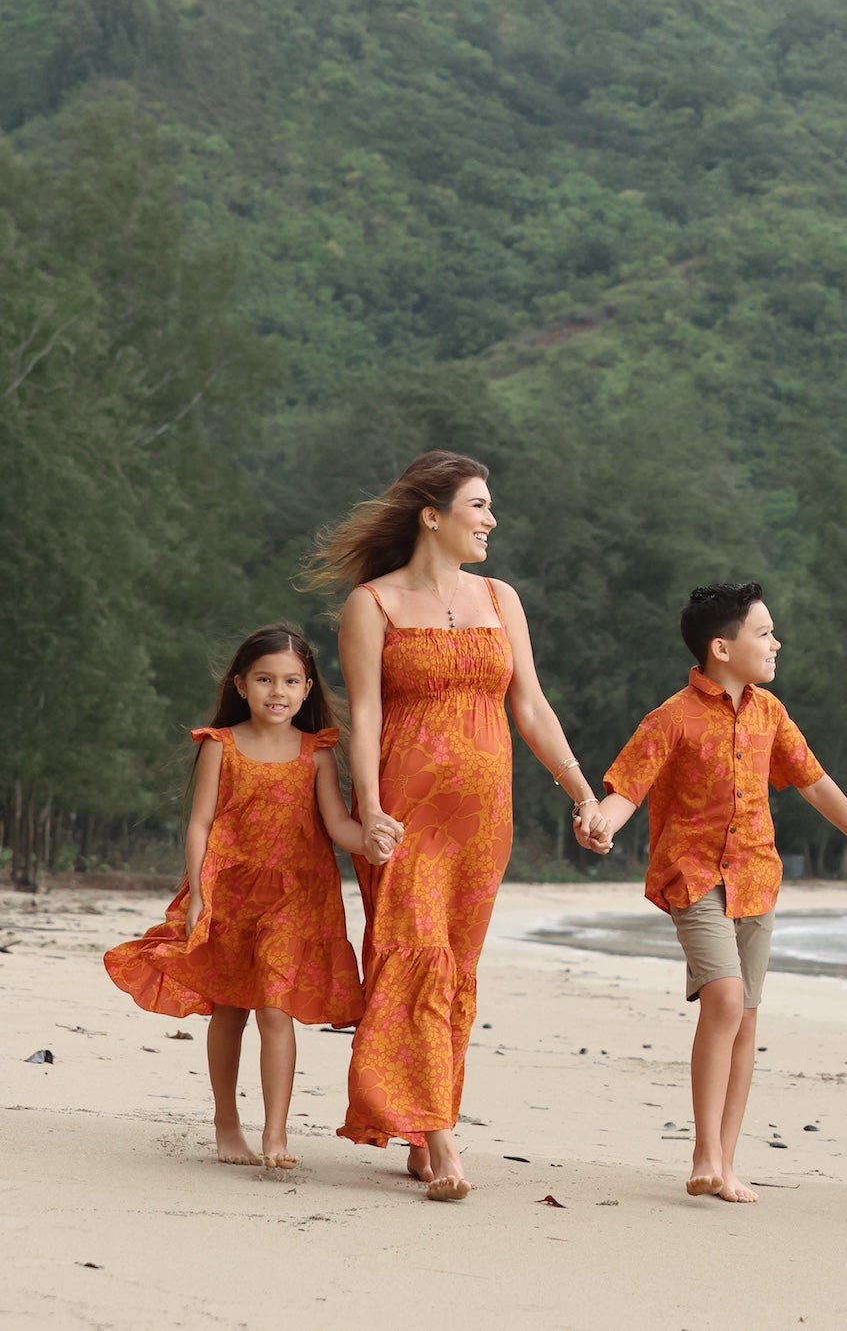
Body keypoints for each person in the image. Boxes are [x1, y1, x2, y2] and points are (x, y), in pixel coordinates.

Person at [307, 448, 600, 1202]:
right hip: (404, 818)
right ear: (431, 516)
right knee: (414, 957)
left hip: (483, 822)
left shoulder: (500, 598)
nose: (491, 520)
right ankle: (442, 1141)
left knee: (456, 970)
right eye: (478, 506)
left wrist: (580, 791)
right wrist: (370, 809)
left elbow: (530, 707)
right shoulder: (371, 606)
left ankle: (419, 1121)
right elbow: (364, 717)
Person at [578, 580, 847, 1204]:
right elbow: (627, 790)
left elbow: (816, 784)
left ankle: (728, 1160)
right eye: (765, 633)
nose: (777, 643)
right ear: (722, 647)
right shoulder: (670, 718)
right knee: (724, 997)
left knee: (744, 1017)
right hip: (692, 879)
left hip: (757, 878)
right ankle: (704, 1151)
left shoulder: (771, 715)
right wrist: (600, 822)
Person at [105, 624, 364, 1169]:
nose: (278, 691)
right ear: (241, 685)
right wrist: (198, 893)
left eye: (292, 681)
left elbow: (338, 824)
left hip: (296, 895)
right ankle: (227, 1122)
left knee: (276, 1009)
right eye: (265, 679)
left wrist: (373, 836)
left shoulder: (316, 752)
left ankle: (276, 1135)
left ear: (308, 689)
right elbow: (199, 824)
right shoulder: (219, 745)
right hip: (229, 890)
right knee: (228, 1012)